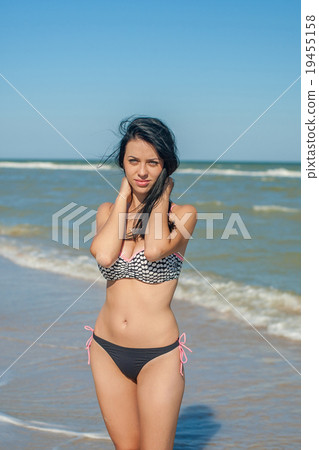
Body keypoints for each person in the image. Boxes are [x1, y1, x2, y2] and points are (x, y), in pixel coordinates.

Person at [84, 116, 197, 449]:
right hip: (106, 350)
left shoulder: (184, 214)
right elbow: (104, 256)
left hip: (158, 355)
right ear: (123, 163)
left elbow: (156, 248)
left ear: (166, 165)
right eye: (133, 161)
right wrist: (123, 196)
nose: (142, 171)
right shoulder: (107, 212)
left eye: (153, 162)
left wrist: (163, 194)